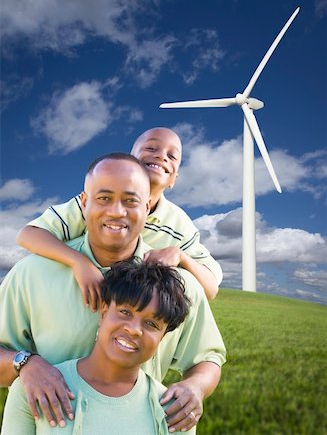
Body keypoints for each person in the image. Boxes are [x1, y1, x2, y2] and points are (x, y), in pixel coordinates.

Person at [0, 153, 226, 433]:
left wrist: (196, 387)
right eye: (104, 198)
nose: (117, 212)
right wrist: (25, 364)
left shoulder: (179, 286)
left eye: (131, 201)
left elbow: (208, 358)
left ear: (147, 206)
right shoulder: (31, 273)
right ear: (84, 203)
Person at [16, 127, 222, 308]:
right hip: (73, 298)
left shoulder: (179, 224)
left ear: (174, 179)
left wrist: (181, 256)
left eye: (172, 155)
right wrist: (79, 262)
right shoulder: (95, 204)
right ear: (130, 161)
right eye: (151, 148)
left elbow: (210, 289)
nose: (161, 156)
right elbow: (29, 235)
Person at [2, 259, 195, 435]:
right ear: (103, 313)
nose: (134, 329)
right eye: (125, 312)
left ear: (162, 338)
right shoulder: (35, 388)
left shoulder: (175, 411)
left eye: (152, 324)